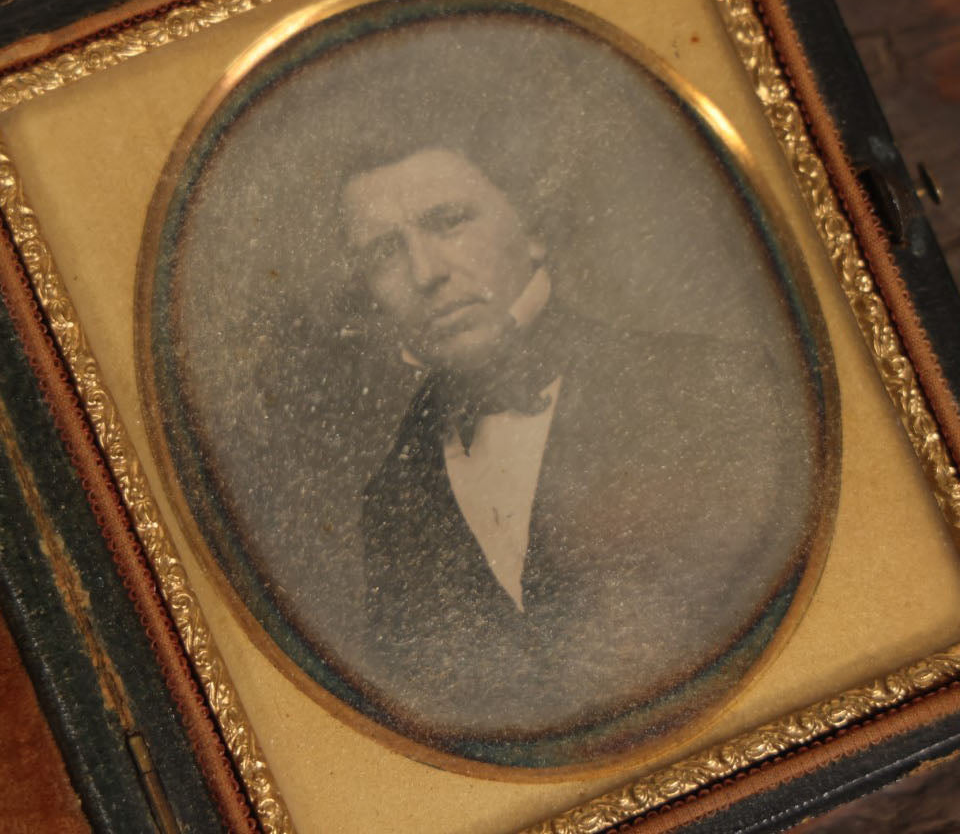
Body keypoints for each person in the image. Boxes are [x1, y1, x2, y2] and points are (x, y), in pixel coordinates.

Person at [340, 143, 803, 756]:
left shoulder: (715, 386)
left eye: (448, 222)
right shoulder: (392, 500)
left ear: (531, 230)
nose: (425, 272)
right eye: (384, 253)